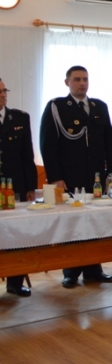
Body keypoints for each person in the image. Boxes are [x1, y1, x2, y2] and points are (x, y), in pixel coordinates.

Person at [40, 65, 112, 288]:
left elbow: (109, 143)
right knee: (72, 224)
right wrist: (55, 177)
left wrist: (111, 174)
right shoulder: (57, 107)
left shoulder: (99, 106)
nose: (82, 83)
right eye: (77, 79)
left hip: (95, 177)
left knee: (94, 222)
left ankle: (94, 270)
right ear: (67, 83)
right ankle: (71, 271)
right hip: (69, 176)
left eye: (85, 79)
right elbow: (48, 145)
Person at [0, 78, 37, 297]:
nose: (3, 95)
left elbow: (27, 156)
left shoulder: (20, 118)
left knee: (19, 234)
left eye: (5, 90)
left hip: (15, 185)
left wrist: (31, 186)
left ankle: (15, 281)